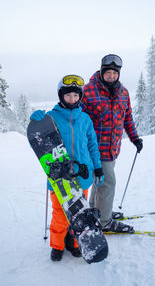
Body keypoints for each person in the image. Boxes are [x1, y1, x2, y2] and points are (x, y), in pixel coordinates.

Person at [30, 75, 104, 261]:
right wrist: (36, 122)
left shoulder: (85, 119)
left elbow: (92, 145)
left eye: (75, 95)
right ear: (61, 96)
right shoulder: (51, 118)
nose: (72, 99)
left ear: (80, 96)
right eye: (68, 95)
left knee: (80, 214)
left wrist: (98, 167)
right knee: (60, 215)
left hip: (82, 175)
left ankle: (75, 242)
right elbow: (39, 141)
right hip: (59, 177)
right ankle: (57, 244)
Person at [81, 54, 143, 233]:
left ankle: (96, 211)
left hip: (112, 149)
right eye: (108, 72)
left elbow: (127, 117)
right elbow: (78, 119)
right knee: (108, 183)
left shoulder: (123, 92)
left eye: (115, 73)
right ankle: (105, 222)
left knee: (100, 182)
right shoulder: (89, 91)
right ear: (101, 72)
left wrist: (135, 138)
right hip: (94, 149)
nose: (111, 76)